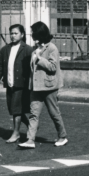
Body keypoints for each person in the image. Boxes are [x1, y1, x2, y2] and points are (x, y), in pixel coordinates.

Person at [20, 21, 68, 149]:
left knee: (54, 113)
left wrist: (39, 59)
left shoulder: (52, 48)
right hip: (36, 87)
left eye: (33, 32)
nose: (31, 35)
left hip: (49, 87)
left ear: (39, 33)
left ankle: (62, 136)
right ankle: (30, 140)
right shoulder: (37, 48)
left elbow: (53, 67)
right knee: (34, 113)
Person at [0, 24, 33, 143]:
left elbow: (31, 68)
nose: (13, 36)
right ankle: (31, 124)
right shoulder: (5, 49)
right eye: (11, 33)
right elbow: (0, 66)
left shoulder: (28, 49)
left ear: (22, 35)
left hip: (21, 84)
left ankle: (16, 133)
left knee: (16, 109)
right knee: (14, 108)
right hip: (10, 83)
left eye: (16, 33)